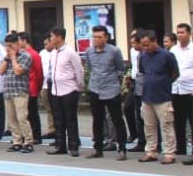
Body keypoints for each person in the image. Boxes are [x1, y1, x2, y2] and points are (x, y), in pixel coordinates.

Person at [83, 25, 128, 159]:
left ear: (106, 38)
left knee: (117, 120)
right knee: (97, 120)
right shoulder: (89, 52)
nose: (96, 40)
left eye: (99, 37)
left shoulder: (114, 51)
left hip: (111, 89)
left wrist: (116, 83)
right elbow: (89, 68)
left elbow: (120, 69)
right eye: (94, 37)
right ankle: (97, 148)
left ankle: (122, 149)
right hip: (95, 88)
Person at [138, 31, 179, 164]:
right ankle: (151, 152)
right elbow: (143, 72)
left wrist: (165, 83)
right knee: (149, 126)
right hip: (147, 96)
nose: (145, 47)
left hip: (163, 96)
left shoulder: (167, 55)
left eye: (147, 44)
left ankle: (169, 153)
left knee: (166, 126)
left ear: (154, 41)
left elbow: (175, 73)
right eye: (143, 45)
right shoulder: (143, 56)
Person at [47, 27, 84, 156]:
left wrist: (79, 87)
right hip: (56, 90)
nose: (51, 39)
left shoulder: (70, 52)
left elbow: (79, 70)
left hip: (69, 90)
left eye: (52, 36)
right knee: (58, 120)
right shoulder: (53, 53)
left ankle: (73, 146)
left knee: (70, 119)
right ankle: (60, 145)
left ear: (59, 37)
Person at [0, 33, 35, 153]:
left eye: (10, 45)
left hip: (20, 91)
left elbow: (18, 71)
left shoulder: (26, 56)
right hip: (8, 91)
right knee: (12, 119)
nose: (8, 48)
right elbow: (1, 71)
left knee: (22, 118)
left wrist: (13, 57)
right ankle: (17, 142)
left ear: (18, 44)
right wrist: (7, 58)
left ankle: (28, 142)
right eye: (6, 46)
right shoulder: (7, 57)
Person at [16, 32, 44, 144]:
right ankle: (25, 135)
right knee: (23, 114)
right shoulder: (20, 53)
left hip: (31, 87)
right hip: (22, 87)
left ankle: (36, 136)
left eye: (18, 40)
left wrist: (38, 87)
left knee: (32, 113)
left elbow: (39, 73)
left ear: (24, 41)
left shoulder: (33, 54)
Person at [172, 23, 193, 163]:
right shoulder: (174, 49)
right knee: (178, 120)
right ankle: (180, 147)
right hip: (176, 89)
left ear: (189, 34)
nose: (180, 35)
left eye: (182, 32)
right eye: (178, 32)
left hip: (190, 90)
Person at [38, 35, 57, 143]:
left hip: (55, 85)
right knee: (48, 109)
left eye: (47, 44)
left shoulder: (56, 52)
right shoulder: (42, 53)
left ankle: (56, 130)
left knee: (55, 109)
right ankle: (51, 129)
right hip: (44, 85)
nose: (45, 46)